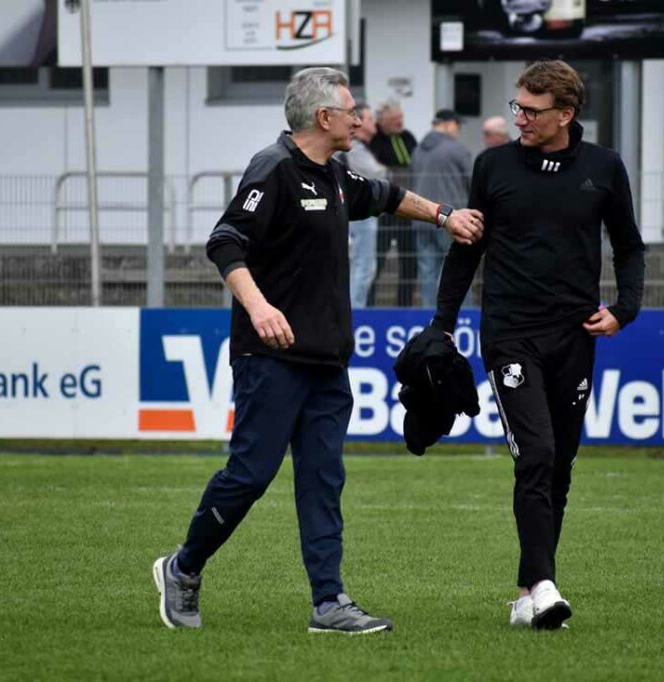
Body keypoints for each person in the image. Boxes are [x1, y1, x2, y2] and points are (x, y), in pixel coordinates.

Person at [152, 67, 484, 634]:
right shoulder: (273, 168)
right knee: (250, 476)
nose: (360, 119)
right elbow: (225, 240)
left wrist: (443, 215)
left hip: (328, 363)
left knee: (324, 478)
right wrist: (258, 306)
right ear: (324, 118)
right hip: (270, 357)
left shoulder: (334, 174)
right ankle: (183, 568)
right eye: (351, 110)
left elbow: (385, 195)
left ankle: (328, 602)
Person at [430, 60, 645, 630]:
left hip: (575, 336)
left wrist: (625, 309)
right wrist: (442, 323)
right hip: (511, 335)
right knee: (537, 455)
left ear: (566, 114)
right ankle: (546, 587)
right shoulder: (492, 165)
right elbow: (466, 249)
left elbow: (629, 245)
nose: (518, 117)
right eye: (517, 106)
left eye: (531, 109)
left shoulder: (604, 168)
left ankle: (529, 592)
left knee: (560, 468)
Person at [411, 109, 472, 308]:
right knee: (457, 270)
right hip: (450, 219)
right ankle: (461, 316)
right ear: (447, 124)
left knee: (427, 273)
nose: (458, 130)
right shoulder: (455, 148)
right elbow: (472, 180)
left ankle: (429, 317)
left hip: (421, 217)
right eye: (457, 125)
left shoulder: (418, 150)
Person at [369, 101, 419, 306]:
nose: (400, 122)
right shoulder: (374, 141)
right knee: (378, 261)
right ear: (381, 122)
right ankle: (369, 303)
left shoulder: (407, 137)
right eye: (394, 119)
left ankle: (404, 305)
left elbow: (415, 163)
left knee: (409, 262)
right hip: (384, 211)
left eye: (401, 118)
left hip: (407, 209)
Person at [341, 103, 385, 308]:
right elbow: (376, 173)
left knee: (364, 265)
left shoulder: (360, 148)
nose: (373, 122)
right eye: (370, 118)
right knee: (364, 265)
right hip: (359, 215)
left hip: (356, 213)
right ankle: (356, 311)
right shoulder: (354, 149)